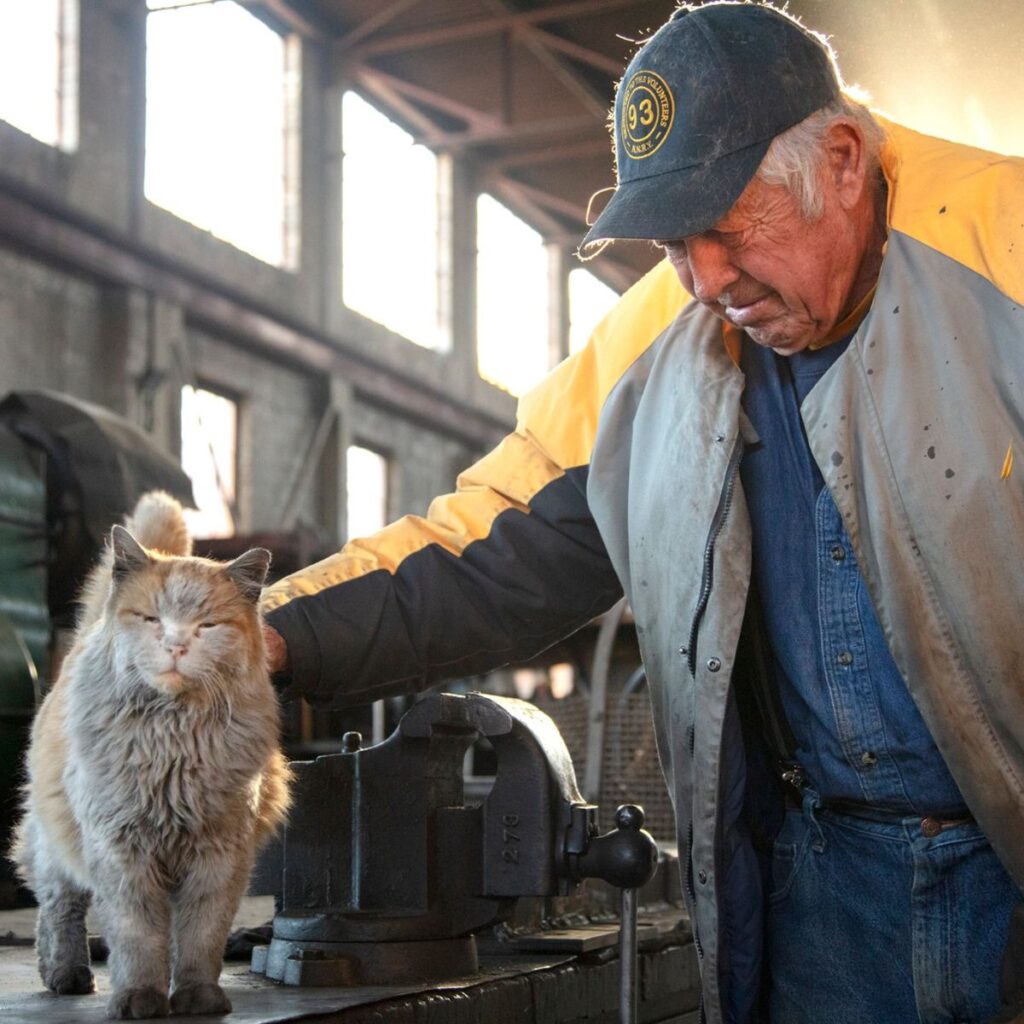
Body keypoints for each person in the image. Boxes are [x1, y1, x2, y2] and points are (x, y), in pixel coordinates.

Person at [261, 3, 1024, 1021]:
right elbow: (490, 543)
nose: (704, 282)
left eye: (725, 226)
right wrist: (256, 632)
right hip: (822, 898)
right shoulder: (665, 340)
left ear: (841, 158)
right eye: (672, 244)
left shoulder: (1000, 247)